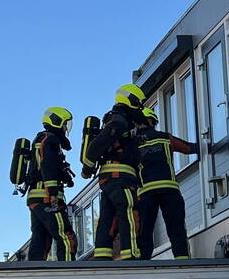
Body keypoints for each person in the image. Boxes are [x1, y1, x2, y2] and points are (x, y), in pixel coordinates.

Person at [82, 84, 146, 259]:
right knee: (129, 213)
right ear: (130, 101)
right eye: (138, 103)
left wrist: (88, 167)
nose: (140, 108)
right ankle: (131, 255)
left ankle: (102, 257)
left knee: (107, 220)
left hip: (109, 179)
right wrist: (87, 165)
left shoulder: (115, 119)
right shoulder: (119, 121)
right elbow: (97, 145)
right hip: (120, 176)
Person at [136, 107, 198, 259]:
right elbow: (188, 148)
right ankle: (182, 260)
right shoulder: (164, 137)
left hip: (145, 193)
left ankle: (143, 264)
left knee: (145, 230)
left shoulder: (132, 143)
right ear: (152, 122)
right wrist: (205, 143)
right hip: (168, 189)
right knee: (175, 226)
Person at [25, 107, 78, 261]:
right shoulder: (51, 139)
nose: (65, 128)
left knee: (40, 238)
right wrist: (53, 194)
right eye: (64, 124)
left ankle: (33, 275)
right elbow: (48, 166)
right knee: (66, 236)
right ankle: (69, 275)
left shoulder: (40, 139)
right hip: (47, 197)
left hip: (35, 197)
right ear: (57, 121)